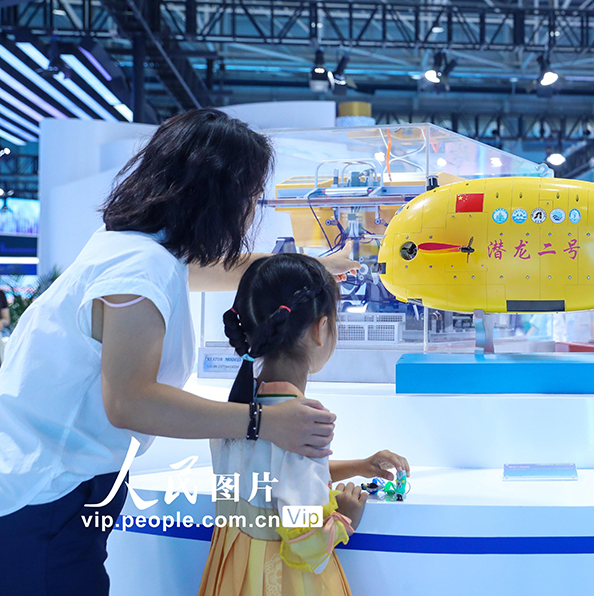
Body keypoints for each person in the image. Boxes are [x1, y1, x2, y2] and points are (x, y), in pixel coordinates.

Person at [0, 109, 359, 596]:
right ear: (221, 195)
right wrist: (263, 422)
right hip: (44, 495)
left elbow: (216, 268)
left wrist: (311, 268)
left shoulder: (139, 250)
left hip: (53, 487)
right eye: (252, 198)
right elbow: (130, 401)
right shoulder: (138, 268)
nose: (251, 213)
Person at [199, 253, 409, 595]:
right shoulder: (303, 424)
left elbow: (273, 476)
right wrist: (344, 519)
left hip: (233, 568)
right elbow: (305, 542)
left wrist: (359, 466)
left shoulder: (238, 409)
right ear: (320, 329)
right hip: (281, 579)